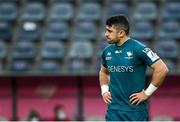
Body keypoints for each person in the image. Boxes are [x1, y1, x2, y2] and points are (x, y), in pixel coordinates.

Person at [99, 15, 169, 121]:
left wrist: (146, 93)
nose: (106, 34)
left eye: (109, 31)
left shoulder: (139, 49)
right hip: (113, 111)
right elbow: (103, 72)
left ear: (121, 33)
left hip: (135, 112)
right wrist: (104, 90)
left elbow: (162, 69)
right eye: (106, 30)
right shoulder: (107, 51)